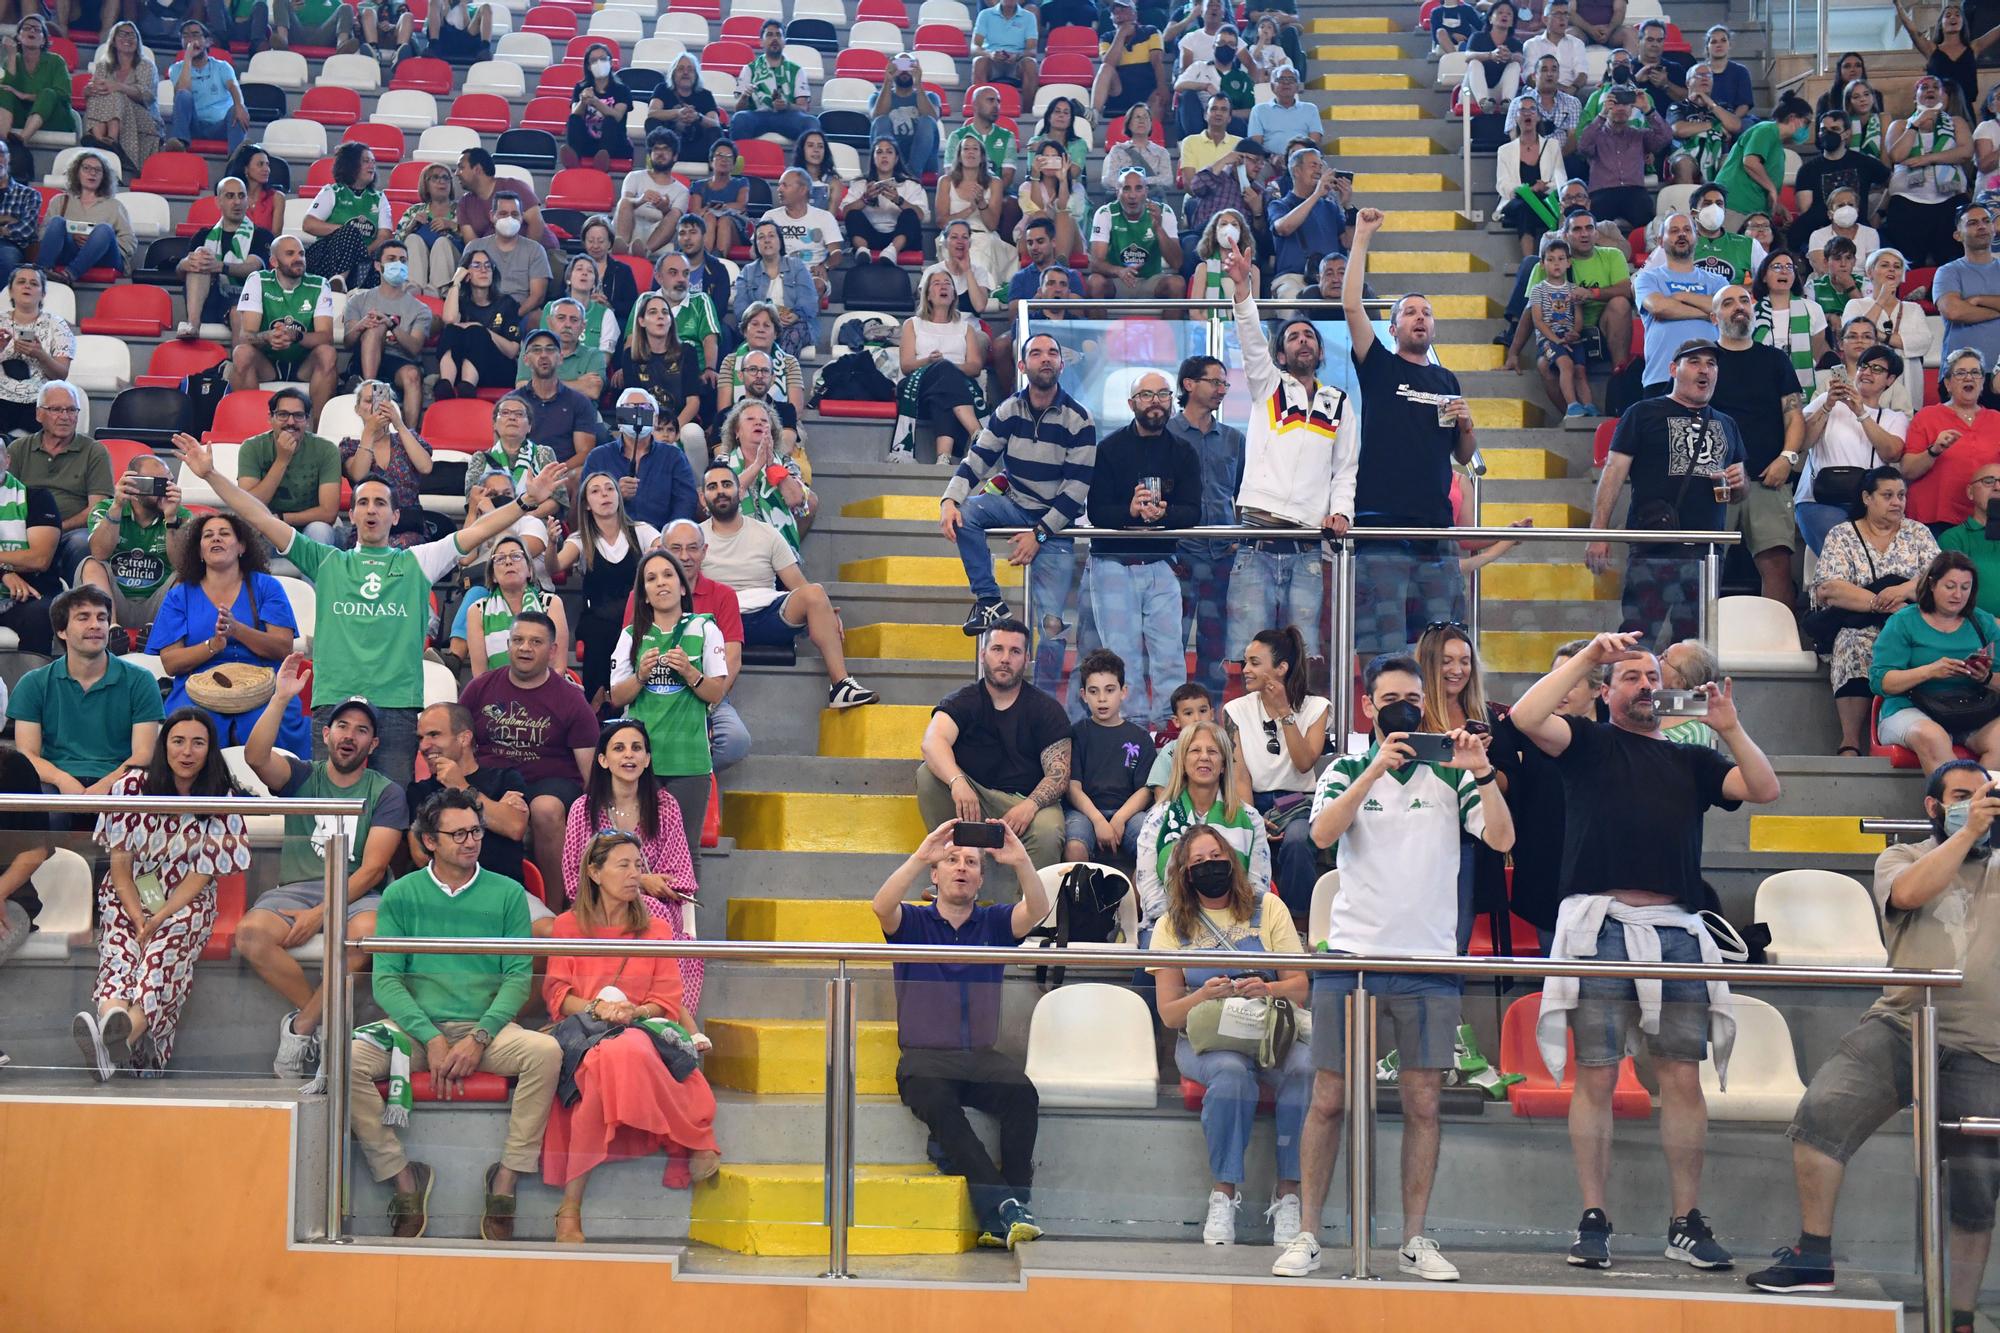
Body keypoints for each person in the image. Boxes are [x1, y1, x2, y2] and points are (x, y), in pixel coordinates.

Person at [1509, 629, 1780, 1270]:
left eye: (1654, 677)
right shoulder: (1590, 744)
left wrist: (1730, 726)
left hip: (1678, 930)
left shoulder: (1692, 760)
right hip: (1601, 928)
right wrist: (1588, 656)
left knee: (1682, 1077)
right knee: (1597, 1073)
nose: (1646, 686)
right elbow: (1524, 718)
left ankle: (1685, 1221)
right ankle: (1593, 1217)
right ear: (1605, 693)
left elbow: (1765, 788)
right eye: (1631, 677)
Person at [1279, 652, 1514, 1280]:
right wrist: (1374, 769)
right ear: (1369, 708)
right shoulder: (1345, 768)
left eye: (1412, 698)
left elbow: (1501, 840)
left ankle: (1414, 1239)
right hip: (1352, 959)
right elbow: (1321, 836)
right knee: (1328, 1098)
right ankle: (1306, 1234)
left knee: (1424, 1103)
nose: (1403, 710)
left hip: (1430, 960)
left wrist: (1484, 773)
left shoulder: (1455, 773)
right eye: (1390, 701)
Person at [174, 433, 572, 787]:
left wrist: (525, 502)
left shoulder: (418, 561)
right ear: (352, 514)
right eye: (362, 502)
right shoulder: (326, 560)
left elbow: (479, 531)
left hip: (397, 706)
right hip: (334, 702)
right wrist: (210, 476)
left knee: (391, 812)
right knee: (330, 812)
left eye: (380, 503)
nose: (371, 509)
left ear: (395, 516)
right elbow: (258, 514)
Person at [1747, 760, 2000, 1314]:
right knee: (1821, 1114)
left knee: (1978, 1192)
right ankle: (1814, 1257)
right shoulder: (1901, 856)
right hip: (1900, 1024)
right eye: (1963, 795)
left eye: (1985, 795)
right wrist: (1971, 831)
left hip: (1986, 1048)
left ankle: (1957, 1316)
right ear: (1934, 807)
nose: (1977, 802)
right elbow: (1909, 895)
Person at [346, 788, 560, 1241]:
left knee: (545, 1051)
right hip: (416, 1031)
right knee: (346, 1059)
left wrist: (478, 1037)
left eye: (476, 831)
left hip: (487, 1032)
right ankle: (404, 1179)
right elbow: (386, 980)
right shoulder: (402, 894)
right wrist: (432, 1038)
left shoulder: (507, 893)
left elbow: (518, 979)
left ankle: (505, 1180)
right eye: (458, 833)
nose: (470, 841)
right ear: (429, 840)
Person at [871, 818, 1049, 1250]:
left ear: (981, 877)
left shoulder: (993, 923)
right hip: (923, 1058)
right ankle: (1006, 1206)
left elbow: (1038, 910)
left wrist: (1021, 859)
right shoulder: (913, 923)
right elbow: (881, 906)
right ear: (936, 873)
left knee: (1022, 1094)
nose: (962, 868)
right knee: (940, 1105)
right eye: (952, 860)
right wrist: (921, 854)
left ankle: (1011, 1206)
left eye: (971, 861)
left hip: (978, 1056)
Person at [540, 828, 718, 1243]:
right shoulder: (567, 925)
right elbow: (557, 993)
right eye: (623, 865)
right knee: (610, 1056)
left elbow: (667, 997)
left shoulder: (655, 929)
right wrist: (597, 1008)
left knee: (621, 1053)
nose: (635, 874)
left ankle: (570, 1208)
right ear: (595, 872)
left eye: (639, 865)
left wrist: (636, 1011)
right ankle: (691, 1135)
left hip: (642, 1028)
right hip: (586, 1031)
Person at [234, 659, 407, 1078]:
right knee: (251, 935)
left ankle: (301, 1028)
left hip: (356, 893)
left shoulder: (386, 793)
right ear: (326, 734)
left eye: (362, 729)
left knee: (369, 933)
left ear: (374, 743)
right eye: (343, 726)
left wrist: (321, 913)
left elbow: (372, 869)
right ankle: (330, 1024)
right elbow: (255, 757)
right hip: (295, 888)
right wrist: (280, 698)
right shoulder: (300, 776)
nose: (351, 735)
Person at [1147, 822, 1309, 1245]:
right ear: (1184, 873)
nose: (1209, 866)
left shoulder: (1269, 908)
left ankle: (1290, 1193)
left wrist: (1268, 987)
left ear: (1233, 862)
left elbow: (1301, 987)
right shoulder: (1170, 926)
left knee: (1306, 1068)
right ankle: (1224, 1193)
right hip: (1207, 1041)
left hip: (1269, 1033)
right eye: (1198, 862)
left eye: (1216, 858)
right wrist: (1202, 994)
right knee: (1232, 1075)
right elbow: (1168, 1014)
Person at [69, 708, 250, 1081]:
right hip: (128, 893)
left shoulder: (221, 797)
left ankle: (113, 1043)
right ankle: (116, 1036)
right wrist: (137, 915)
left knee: (159, 963)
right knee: (119, 958)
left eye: (198, 743)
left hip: (185, 903)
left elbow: (200, 878)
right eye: (178, 741)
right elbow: (120, 864)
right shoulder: (130, 788)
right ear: (163, 746)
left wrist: (160, 916)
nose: (187, 751)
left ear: (210, 749)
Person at [1343, 209, 1475, 654]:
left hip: (1435, 525)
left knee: (1445, 637)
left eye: (1427, 313)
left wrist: (1467, 424)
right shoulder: (1380, 364)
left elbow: (1461, 454)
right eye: (1410, 312)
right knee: (1385, 637)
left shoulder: (1447, 379)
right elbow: (1350, 305)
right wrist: (1362, 236)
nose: (1420, 318)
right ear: (1394, 326)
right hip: (1382, 520)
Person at [939, 332, 1094, 650]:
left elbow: (1076, 491)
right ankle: (989, 600)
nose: (1046, 358)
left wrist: (1038, 534)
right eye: (1037, 353)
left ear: (1062, 365)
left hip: (1057, 525)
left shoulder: (1079, 420)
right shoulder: (1009, 410)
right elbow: (978, 460)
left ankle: (1047, 699)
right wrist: (949, 499)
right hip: (1015, 505)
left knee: (1053, 629)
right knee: (965, 513)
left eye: (1052, 353)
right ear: (1022, 365)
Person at [1588, 339, 1748, 643]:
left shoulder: (1727, 424)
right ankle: (1631, 689)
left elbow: (1739, 492)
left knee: (1694, 645)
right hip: (1654, 546)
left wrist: (1741, 482)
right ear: (1674, 369)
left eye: (1711, 364)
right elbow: (1613, 472)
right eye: (1695, 362)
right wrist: (1598, 533)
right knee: (1637, 636)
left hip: (1707, 551)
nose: (1705, 370)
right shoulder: (1642, 413)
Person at [698, 462, 875, 709]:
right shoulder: (694, 538)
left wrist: (825, 611)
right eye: (712, 486)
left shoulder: (767, 533)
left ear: (739, 490)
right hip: (717, 622)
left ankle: (841, 685)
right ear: (703, 496)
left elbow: (799, 586)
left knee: (815, 593)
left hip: (767, 617)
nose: (720, 491)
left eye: (727, 484)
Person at [1084, 371, 1200, 725]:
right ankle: (1129, 732)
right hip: (1112, 563)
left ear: (1171, 401)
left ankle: (1171, 732)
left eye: (1163, 394)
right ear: (1131, 403)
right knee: (1122, 656)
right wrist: (1129, 512)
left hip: (1162, 564)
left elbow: (1194, 511)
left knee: (1170, 656)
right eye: (1147, 395)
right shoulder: (1109, 449)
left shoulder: (1183, 451)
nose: (1155, 402)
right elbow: (1096, 510)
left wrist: (1165, 515)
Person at [557, 716, 702, 991]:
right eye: (619, 748)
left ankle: (655, 1008)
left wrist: (640, 888)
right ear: (602, 760)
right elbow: (575, 878)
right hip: (597, 905)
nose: (629, 755)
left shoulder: (666, 806)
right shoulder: (582, 808)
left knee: (655, 914)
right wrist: (641, 882)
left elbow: (679, 875)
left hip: (657, 909)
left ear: (647, 759)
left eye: (636, 748)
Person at [459, 610, 596, 899]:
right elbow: (457, 744)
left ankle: (556, 909)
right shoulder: (479, 688)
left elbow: (590, 772)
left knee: (545, 809)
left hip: (548, 782)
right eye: (518, 640)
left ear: (553, 650)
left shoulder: (571, 699)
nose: (525, 648)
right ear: (507, 644)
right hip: (491, 779)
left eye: (535, 642)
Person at [146, 511, 310, 753]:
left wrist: (238, 631)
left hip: (264, 683)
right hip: (198, 688)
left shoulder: (267, 586)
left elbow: (282, 648)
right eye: (208, 536)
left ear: (242, 546)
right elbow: (170, 662)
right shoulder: (179, 595)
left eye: (224, 534)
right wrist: (212, 646)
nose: (216, 539)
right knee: (188, 727)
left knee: (270, 723)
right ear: (199, 551)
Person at [607, 548, 728, 867]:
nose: (660, 583)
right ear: (643, 595)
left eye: (667, 575)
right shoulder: (631, 636)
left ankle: (682, 919)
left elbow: (716, 692)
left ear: (683, 586)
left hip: (689, 760)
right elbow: (617, 696)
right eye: (651, 578)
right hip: (640, 763)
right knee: (635, 850)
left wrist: (690, 672)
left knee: (686, 852)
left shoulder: (704, 628)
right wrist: (641, 675)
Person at [916, 618, 1070, 868]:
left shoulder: (1046, 709)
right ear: (983, 654)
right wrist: (958, 782)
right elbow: (932, 742)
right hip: (973, 797)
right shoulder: (963, 700)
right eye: (998, 649)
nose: (1005, 658)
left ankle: (1031, 905)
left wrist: (1030, 805)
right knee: (928, 776)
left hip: (1025, 800)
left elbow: (1059, 774)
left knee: (1049, 831)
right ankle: (948, 873)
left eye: (1015, 651)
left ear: (1026, 658)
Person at [1809, 468, 1938, 757]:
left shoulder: (1918, 533)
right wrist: (1884, 604)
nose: (1897, 502)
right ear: (1867, 498)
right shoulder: (1842, 534)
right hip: (1858, 624)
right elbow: (1830, 589)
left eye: (1902, 495)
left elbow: (1937, 581)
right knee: (1852, 643)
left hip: (1909, 626)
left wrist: (1903, 591)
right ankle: (1851, 742)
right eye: (1888, 495)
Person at [8, 583, 161, 798]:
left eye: (101, 618)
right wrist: (62, 780)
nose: (96, 625)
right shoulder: (33, 683)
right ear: (61, 630)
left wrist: (107, 784)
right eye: (83, 618)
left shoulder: (141, 680)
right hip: (55, 779)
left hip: (120, 779)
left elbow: (144, 755)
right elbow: (27, 754)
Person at [1709, 285, 1808, 605]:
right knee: (1705, 566)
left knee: (1777, 566)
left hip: (1768, 479)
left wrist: (1787, 458)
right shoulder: (1702, 361)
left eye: (1743, 301)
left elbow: (1793, 415)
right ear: (1714, 317)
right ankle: (1696, 648)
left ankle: (1780, 649)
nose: (1738, 307)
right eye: (1728, 303)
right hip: (1713, 482)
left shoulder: (1775, 360)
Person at [1222, 626, 1329, 913]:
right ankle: (1246, 922)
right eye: (1246, 662)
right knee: (1237, 835)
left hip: (1299, 804)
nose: (1245, 669)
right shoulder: (1234, 710)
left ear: (1281, 668)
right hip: (1253, 801)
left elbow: (1304, 762)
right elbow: (1239, 774)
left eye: (1255, 663)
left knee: (1297, 841)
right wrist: (1251, 816)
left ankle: (1299, 924)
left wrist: (1285, 713)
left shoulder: (1317, 707)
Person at [1870, 551, 2000, 770]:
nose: (1957, 595)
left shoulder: (1983, 622)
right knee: (1933, 738)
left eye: (1965, 588)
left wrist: (1986, 677)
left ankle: (1981, 803)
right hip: (1910, 707)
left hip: (1972, 708)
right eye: (1950, 586)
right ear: (1931, 584)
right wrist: (1929, 671)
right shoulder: (1903, 621)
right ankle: (1954, 803)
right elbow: (1881, 681)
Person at [1167, 356, 1243, 701]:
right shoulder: (1165, 434)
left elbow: (1241, 492)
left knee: (1216, 644)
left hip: (1222, 554)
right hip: (1179, 554)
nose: (1221, 389)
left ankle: (1209, 714)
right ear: (1189, 384)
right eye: (1215, 382)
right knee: (1172, 640)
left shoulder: (1232, 439)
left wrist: (1237, 535)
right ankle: (1172, 716)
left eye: (1224, 384)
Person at [1797, 346, 1910, 555]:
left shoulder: (1894, 418)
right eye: (1863, 366)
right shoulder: (1826, 401)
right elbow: (1802, 442)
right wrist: (1828, 405)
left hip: (1868, 504)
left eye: (1877, 369)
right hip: (1818, 500)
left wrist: (1861, 412)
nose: (1867, 372)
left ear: (1890, 379)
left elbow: (1892, 453)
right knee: (1847, 545)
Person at [407, 701, 531, 891]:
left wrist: (462, 787)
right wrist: (495, 813)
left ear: (464, 738)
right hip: (443, 896)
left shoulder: (506, 778)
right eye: (420, 738)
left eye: (434, 735)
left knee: (547, 922)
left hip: (504, 895)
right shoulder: (419, 791)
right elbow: (421, 856)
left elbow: (514, 827)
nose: (423, 746)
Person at [661, 519, 751, 774]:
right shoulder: (641, 595)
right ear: (662, 551)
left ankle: (689, 783)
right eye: (675, 548)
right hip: (655, 692)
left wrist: (708, 701)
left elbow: (732, 659)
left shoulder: (723, 595)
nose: (684, 556)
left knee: (736, 741)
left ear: (704, 551)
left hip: (708, 693)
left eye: (692, 548)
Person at [80, 451, 186, 644]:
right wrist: (117, 507)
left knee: (187, 574)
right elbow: (99, 552)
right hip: (113, 600)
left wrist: (171, 519)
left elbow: (181, 563)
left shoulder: (182, 515)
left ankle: (160, 630)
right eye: (156, 483)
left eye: (169, 482)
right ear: (134, 484)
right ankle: (110, 632)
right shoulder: (106, 508)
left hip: (159, 601)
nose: (164, 489)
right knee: (90, 564)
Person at [1061, 649, 1155, 864]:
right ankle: (1081, 898)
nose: (1102, 699)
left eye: (1109, 690)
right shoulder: (1076, 734)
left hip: (1129, 813)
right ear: (1084, 695)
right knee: (1075, 847)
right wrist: (1097, 820)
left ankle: (1137, 899)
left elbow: (1145, 790)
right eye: (1094, 691)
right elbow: (1072, 788)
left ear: (1123, 691)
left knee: (1149, 839)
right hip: (1084, 813)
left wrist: (1120, 818)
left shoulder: (1140, 737)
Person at [231, 237, 337, 423]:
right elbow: (245, 335)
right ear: (274, 261)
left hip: (304, 364)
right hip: (267, 363)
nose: (298, 258)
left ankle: (318, 431)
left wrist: (295, 335)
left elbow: (326, 337)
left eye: (301, 254)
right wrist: (268, 337)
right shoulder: (258, 280)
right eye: (290, 254)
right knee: (242, 353)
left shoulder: (319, 284)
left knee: (327, 353)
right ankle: (249, 427)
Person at [1883, 76, 1975, 270]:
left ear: (1945, 96)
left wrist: (1926, 159)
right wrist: (1914, 125)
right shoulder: (1900, 125)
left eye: (1936, 87)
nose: (1930, 90)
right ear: (1915, 98)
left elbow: (1966, 152)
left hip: (1949, 200)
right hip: (1908, 200)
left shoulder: (1956, 123)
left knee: (1951, 260)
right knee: (1910, 263)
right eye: (1924, 87)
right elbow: (1897, 155)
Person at [583, 384, 700, 530]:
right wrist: (615, 495)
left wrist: (669, 537)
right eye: (630, 409)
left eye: (644, 408)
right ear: (619, 420)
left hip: (662, 541)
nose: (637, 414)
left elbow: (686, 502)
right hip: (611, 537)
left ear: (655, 420)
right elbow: (584, 505)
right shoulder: (598, 457)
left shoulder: (673, 456)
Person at [234, 388, 341, 548]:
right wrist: (282, 461)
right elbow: (248, 507)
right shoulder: (252, 447)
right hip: (266, 527)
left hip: (308, 527)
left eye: (298, 415)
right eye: (283, 415)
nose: (291, 422)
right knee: (246, 531)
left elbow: (329, 512)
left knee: (319, 530)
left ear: (307, 420)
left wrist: (282, 518)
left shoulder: (326, 449)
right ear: (270, 418)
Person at [1907, 348, 2000, 528]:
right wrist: (1933, 451)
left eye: (1975, 373)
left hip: (1985, 519)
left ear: (1982, 383)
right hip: (1935, 517)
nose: (1969, 378)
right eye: (1960, 373)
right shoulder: (1927, 416)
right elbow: (1908, 470)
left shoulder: (1997, 419)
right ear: (1948, 384)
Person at [342, 242, 432, 425]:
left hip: (400, 361)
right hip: (364, 358)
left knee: (413, 375)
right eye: (391, 259)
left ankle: (409, 436)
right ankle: (371, 391)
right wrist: (362, 325)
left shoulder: (421, 309)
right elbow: (347, 342)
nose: (398, 264)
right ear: (378, 265)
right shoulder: (358, 300)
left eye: (403, 260)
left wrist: (391, 324)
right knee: (375, 327)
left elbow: (414, 347)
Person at [175, 175, 271, 343]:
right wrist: (184, 264)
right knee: (200, 255)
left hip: (245, 299)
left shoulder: (261, 235)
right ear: (218, 202)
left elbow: (254, 267)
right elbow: (181, 273)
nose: (237, 202)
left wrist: (219, 267)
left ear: (247, 200)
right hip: (210, 299)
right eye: (230, 196)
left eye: (241, 196)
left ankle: (237, 366)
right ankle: (193, 324)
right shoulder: (203, 235)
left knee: (238, 311)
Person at [462, 538, 566, 674]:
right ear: (492, 575)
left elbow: (558, 667)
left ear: (530, 570)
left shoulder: (551, 603)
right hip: (497, 691)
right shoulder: (477, 611)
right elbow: (480, 676)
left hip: (547, 689)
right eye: (499, 559)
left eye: (516, 556)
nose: (508, 562)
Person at [300, 142, 391, 290]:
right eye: (366, 161)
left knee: (375, 266)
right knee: (350, 231)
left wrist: (359, 250)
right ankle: (338, 280)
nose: (372, 166)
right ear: (351, 164)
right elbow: (309, 224)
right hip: (326, 258)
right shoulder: (333, 191)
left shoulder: (379, 198)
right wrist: (344, 231)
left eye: (373, 162)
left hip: (362, 261)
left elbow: (384, 235)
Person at [0, 271, 75, 446]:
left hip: (40, 400)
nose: (27, 286)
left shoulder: (57, 325)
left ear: (43, 294)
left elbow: (61, 376)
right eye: (21, 282)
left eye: (34, 283)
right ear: (11, 291)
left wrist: (40, 355)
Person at [1579, 87, 1672, 229]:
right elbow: (1583, 146)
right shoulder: (1596, 134)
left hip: (1633, 191)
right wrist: (1602, 114)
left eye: (1625, 104)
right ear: (1607, 105)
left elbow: (1665, 138)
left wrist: (1647, 109)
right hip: (1602, 192)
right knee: (1593, 225)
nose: (1620, 108)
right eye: (1615, 103)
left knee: (1647, 223)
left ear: (1631, 109)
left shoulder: (1640, 135)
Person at [38, 150, 132, 286]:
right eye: (86, 168)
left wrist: (97, 244)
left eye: (98, 170)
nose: (92, 173)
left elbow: (129, 240)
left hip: (103, 258)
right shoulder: (59, 201)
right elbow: (42, 234)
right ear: (77, 172)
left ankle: (68, 275)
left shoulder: (114, 206)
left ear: (103, 176)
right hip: (68, 251)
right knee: (57, 222)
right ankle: (42, 272)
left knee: (104, 230)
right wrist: (70, 236)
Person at [436, 250, 522, 398]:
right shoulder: (461, 303)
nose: (484, 270)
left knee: (477, 332)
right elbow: (449, 319)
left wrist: (484, 330)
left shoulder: (507, 304)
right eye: (476, 265)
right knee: (451, 329)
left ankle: (467, 387)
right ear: (467, 274)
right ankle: (446, 385)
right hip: (460, 371)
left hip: (497, 370)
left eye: (488, 266)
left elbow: (512, 351)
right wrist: (456, 282)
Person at [732, 218, 819, 361]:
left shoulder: (797, 266)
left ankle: (779, 380)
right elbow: (740, 307)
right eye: (761, 237)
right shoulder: (748, 271)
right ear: (756, 244)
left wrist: (796, 315)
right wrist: (763, 319)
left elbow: (809, 301)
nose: (767, 240)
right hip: (760, 322)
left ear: (780, 241)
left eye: (771, 236)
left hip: (795, 323)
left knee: (791, 335)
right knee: (757, 333)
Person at [1528, 236, 1594, 418]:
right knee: (1566, 364)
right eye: (1550, 260)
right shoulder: (1538, 289)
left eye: (1561, 259)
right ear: (1542, 264)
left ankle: (1588, 405)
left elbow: (1578, 316)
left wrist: (1575, 332)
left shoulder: (1574, 289)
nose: (1556, 264)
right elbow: (1538, 321)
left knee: (1580, 370)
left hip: (1570, 336)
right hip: (1549, 340)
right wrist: (1556, 339)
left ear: (1569, 263)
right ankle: (1572, 405)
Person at [84, 21, 160, 172]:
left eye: (132, 35)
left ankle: (111, 140)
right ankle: (99, 140)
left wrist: (118, 86)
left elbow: (147, 96)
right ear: (113, 40)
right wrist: (89, 90)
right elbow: (94, 89)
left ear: (138, 41)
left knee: (116, 94)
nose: (128, 38)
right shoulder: (103, 65)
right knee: (99, 94)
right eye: (123, 34)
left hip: (143, 117)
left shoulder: (146, 65)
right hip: (109, 114)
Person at [463, 192, 553, 318]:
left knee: (537, 317)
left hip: (519, 313)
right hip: (480, 312)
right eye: (503, 214)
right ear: (492, 216)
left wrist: (510, 318)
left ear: (521, 218)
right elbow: (462, 287)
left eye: (514, 214)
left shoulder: (535, 250)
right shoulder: (474, 247)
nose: (509, 219)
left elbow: (537, 296)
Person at [840, 139, 928, 268]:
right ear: (873, 158)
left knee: (910, 213)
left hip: (901, 239)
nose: (884, 156)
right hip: (869, 237)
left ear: (896, 158)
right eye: (879, 152)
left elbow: (921, 216)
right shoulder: (860, 184)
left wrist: (899, 201)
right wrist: (864, 199)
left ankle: (892, 251)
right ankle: (862, 251)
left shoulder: (911, 185)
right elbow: (846, 212)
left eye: (889, 152)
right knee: (854, 213)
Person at [163, 21, 248, 154]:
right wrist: (188, 59)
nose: (191, 40)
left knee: (237, 109)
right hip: (194, 126)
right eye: (185, 36)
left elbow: (233, 87)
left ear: (208, 41)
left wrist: (239, 105)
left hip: (221, 125)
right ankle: (180, 144)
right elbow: (182, 91)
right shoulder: (176, 68)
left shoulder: (222, 66)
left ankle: (237, 158)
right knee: (183, 95)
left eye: (195, 35)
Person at [730, 19, 817, 144]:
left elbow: (803, 107)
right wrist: (744, 97)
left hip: (787, 117)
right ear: (761, 42)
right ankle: (741, 162)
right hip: (757, 116)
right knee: (739, 119)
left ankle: (802, 163)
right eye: (769, 35)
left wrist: (787, 106)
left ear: (784, 42)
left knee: (811, 122)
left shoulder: (797, 70)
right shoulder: (749, 69)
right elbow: (738, 110)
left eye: (778, 35)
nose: (774, 38)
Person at [1498, 97, 1566, 259]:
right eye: (1523, 110)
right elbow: (1502, 184)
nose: (1527, 114)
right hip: (1516, 200)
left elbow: (1561, 179)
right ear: (1516, 118)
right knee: (1524, 208)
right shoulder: (1505, 150)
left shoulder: (1552, 146)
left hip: (1545, 197)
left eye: (1532, 109)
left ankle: (1555, 258)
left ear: (1538, 117)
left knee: (1550, 208)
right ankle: (1529, 261)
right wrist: (1526, 191)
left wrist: (1545, 186)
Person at [1751, 252, 1828, 393]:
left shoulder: (1813, 308)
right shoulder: (1751, 313)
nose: (1784, 271)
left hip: (1802, 386)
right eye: (1777, 267)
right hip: (1761, 385)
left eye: (1789, 267)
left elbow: (1816, 351)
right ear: (1763, 276)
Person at [1937, 202, 2000, 370]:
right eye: (1973, 223)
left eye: (1986, 221)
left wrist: (1979, 299)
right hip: (1960, 374)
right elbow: (1954, 311)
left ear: (1993, 229)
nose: (1981, 226)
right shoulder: (1947, 271)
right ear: (1958, 235)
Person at [1092, 0, 1169, 126]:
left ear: (1134, 14)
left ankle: (1153, 139)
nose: (1118, 13)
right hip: (1118, 88)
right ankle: (1093, 113)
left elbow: (1157, 61)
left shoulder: (1150, 31)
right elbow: (1109, 62)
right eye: (1114, 11)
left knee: (1158, 99)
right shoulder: (1106, 37)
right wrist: (1121, 34)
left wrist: (1162, 85)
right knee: (1105, 67)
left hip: (1146, 87)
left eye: (1123, 9)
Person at [616, 128, 690, 258]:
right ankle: (622, 248)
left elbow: (674, 222)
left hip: (657, 234)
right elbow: (624, 205)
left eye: (665, 149)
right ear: (650, 155)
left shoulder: (682, 191)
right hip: (631, 226)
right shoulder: (634, 176)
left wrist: (664, 209)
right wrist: (641, 200)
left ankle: (644, 251)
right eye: (656, 149)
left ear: (675, 156)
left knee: (674, 214)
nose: (660, 153)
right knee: (625, 201)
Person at [1938, 458, 2000, 610]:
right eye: (1988, 481)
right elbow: (1950, 597)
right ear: (1970, 492)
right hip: (1974, 628)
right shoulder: (1954, 538)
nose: (1997, 487)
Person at [648, 54, 722, 169]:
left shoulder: (705, 95)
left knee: (715, 131)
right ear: (673, 74)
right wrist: (677, 113)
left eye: (690, 69)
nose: (685, 73)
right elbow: (652, 113)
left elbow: (715, 123)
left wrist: (698, 117)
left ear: (696, 75)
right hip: (669, 148)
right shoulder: (662, 89)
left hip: (698, 148)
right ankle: (658, 159)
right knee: (652, 122)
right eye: (681, 69)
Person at [566, 43, 632, 171]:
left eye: (603, 59)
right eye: (594, 60)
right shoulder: (580, 88)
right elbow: (575, 114)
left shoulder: (621, 90)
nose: (599, 63)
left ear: (610, 62)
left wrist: (595, 102)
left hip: (615, 144)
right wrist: (583, 101)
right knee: (573, 120)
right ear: (589, 66)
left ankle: (603, 159)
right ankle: (574, 158)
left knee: (610, 119)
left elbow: (617, 116)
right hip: (589, 143)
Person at [973, 0, 1040, 108]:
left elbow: (1032, 50)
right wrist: (990, 54)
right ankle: (982, 109)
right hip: (992, 61)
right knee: (979, 62)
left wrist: (1017, 56)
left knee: (1030, 63)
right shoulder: (985, 14)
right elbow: (974, 47)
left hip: (1017, 62)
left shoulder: (1029, 17)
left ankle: (1027, 111)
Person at [1245, 64, 1320, 154]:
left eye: (1291, 80)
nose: (1286, 83)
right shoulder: (1259, 110)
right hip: (1269, 161)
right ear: (1272, 87)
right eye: (1281, 79)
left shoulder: (1310, 109)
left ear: (1297, 86)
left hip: (1302, 160)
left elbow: (1314, 143)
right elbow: (1255, 144)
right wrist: (1272, 157)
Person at [1465, 2, 1526, 112]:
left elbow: (1521, 58)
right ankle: (1483, 101)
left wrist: (1510, 56)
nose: (1505, 15)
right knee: (1475, 62)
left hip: (1498, 94)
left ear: (1512, 22)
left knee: (1515, 65)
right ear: (1490, 19)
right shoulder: (1477, 37)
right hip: (1473, 92)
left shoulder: (1515, 43)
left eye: (1509, 14)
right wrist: (1490, 55)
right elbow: (1468, 56)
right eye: (1500, 12)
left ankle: (1507, 102)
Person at [1522, 0, 1587, 95]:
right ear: (1545, 19)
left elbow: (1582, 73)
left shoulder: (1577, 43)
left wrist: (1573, 88)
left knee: (1590, 93)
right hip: (1540, 89)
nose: (1563, 18)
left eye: (1566, 14)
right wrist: (1555, 88)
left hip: (1570, 90)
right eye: (1557, 14)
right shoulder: (1532, 44)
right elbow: (1529, 76)